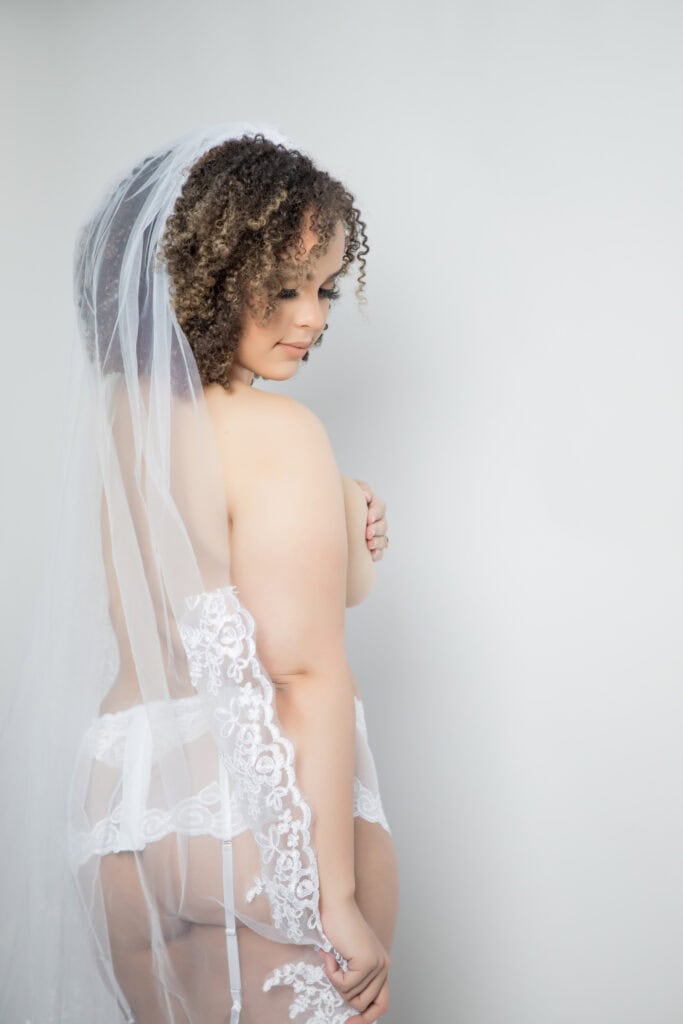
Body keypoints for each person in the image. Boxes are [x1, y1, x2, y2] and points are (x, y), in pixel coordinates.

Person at [0, 122, 398, 1024]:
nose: (314, 318)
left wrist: (341, 511)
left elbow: (203, 594)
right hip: (254, 820)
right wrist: (332, 899)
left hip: (120, 814)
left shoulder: (116, 422)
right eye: (285, 286)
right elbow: (299, 670)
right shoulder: (276, 433)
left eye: (326, 287)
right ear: (205, 274)